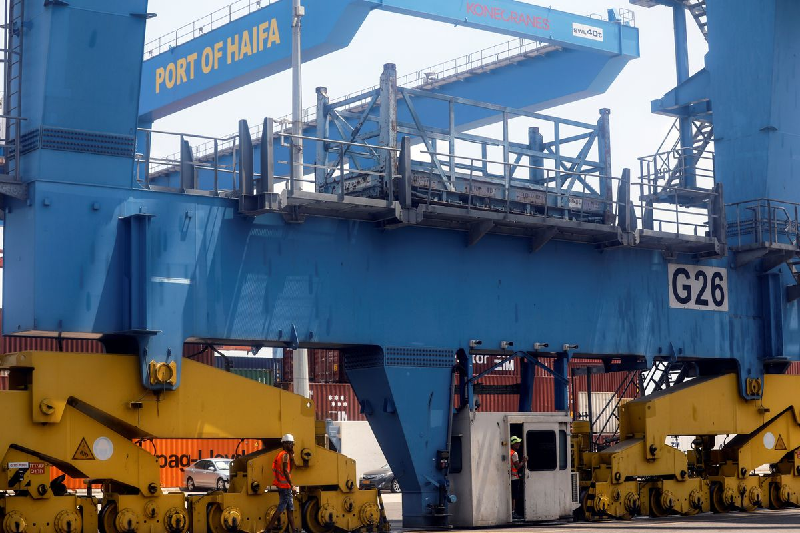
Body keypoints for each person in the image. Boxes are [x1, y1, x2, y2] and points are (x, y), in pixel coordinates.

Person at [266, 433, 297, 533]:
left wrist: (292, 456)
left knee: (289, 509)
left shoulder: (283, 455)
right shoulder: (285, 456)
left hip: (283, 485)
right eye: (288, 443)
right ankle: (269, 528)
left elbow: (289, 468)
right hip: (285, 486)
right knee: (281, 508)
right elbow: (286, 470)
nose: (290, 445)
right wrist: (292, 485)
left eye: (291, 443)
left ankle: (294, 530)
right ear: (283, 444)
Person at [510, 436, 526, 519]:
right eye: (517, 443)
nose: (519, 444)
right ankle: (513, 512)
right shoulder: (514, 454)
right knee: (514, 496)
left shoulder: (509, 452)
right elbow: (517, 466)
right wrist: (523, 461)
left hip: (510, 477)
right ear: (513, 444)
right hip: (514, 477)